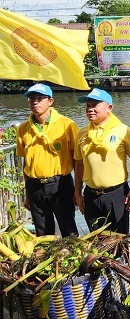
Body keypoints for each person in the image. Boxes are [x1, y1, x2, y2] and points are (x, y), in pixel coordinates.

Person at [16, 83, 79, 237]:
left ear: (50, 101)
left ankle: (72, 259)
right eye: (31, 99)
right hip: (34, 185)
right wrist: (27, 192)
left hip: (60, 183)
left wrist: (78, 191)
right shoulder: (23, 129)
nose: (35, 102)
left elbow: (77, 160)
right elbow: (26, 163)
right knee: (43, 232)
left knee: (68, 229)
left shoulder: (67, 125)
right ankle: (49, 259)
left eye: (39, 98)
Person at [74, 88, 130, 235]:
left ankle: (120, 259)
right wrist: (77, 193)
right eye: (88, 105)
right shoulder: (82, 133)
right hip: (91, 195)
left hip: (116, 194)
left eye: (95, 105)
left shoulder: (124, 131)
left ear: (109, 108)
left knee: (119, 240)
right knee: (96, 241)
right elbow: (78, 164)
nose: (90, 109)